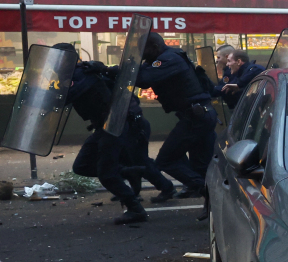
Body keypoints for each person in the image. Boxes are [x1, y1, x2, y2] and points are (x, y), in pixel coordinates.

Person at [66, 51, 172, 223]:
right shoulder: (84, 72)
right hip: (106, 126)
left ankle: (136, 208)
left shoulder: (82, 74)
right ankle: (128, 172)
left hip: (118, 125)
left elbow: (70, 95)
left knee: (108, 171)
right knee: (82, 166)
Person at [137, 32, 217, 200]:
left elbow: (143, 79)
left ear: (155, 47)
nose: (141, 54)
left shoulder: (168, 59)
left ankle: (205, 192)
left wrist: (121, 71)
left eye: (143, 50)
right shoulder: (166, 57)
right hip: (199, 116)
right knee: (199, 167)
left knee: (165, 160)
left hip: (197, 117)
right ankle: (207, 200)